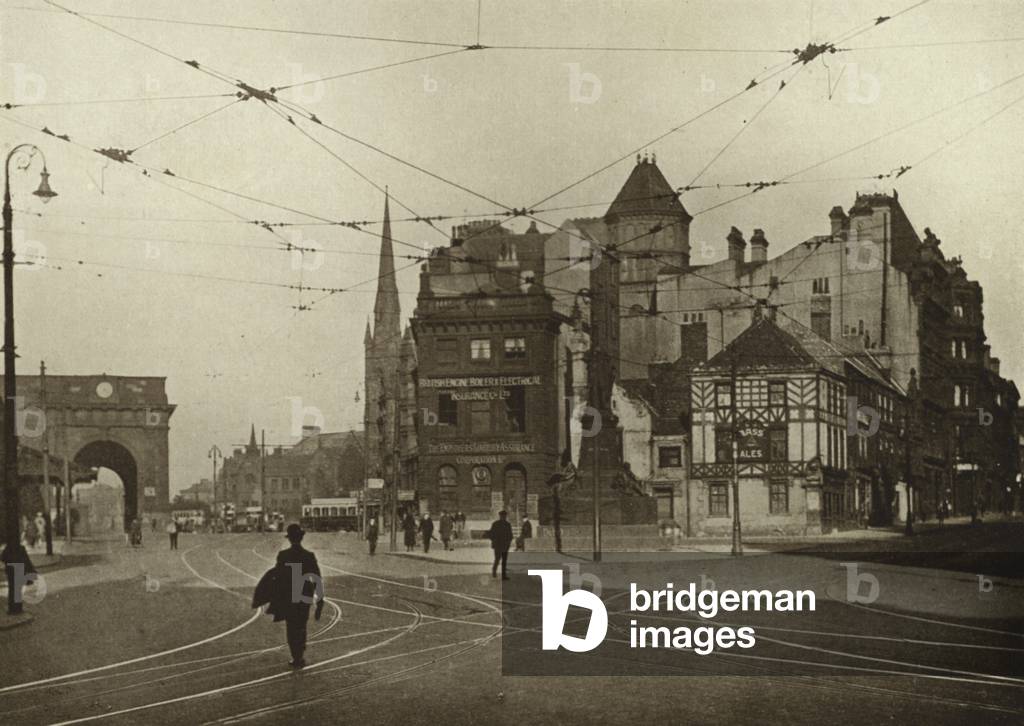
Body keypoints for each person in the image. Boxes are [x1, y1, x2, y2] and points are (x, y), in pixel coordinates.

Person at [275, 523, 324, 668]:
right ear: (301, 538)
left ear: (289, 539)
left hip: (289, 595)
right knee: (301, 625)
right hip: (304, 595)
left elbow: (278, 578)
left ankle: (295, 655)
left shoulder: (283, 555)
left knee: (291, 626)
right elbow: (317, 577)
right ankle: (300, 654)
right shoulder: (308, 556)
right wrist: (320, 599)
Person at [487, 510, 514, 580]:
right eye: (503, 516)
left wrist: (494, 541)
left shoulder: (495, 524)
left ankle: (494, 572)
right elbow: (510, 536)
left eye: (504, 516)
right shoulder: (507, 524)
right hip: (503, 545)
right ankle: (502, 575)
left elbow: (490, 534)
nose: (503, 517)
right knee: (502, 560)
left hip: (498, 545)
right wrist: (508, 543)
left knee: (497, 559)